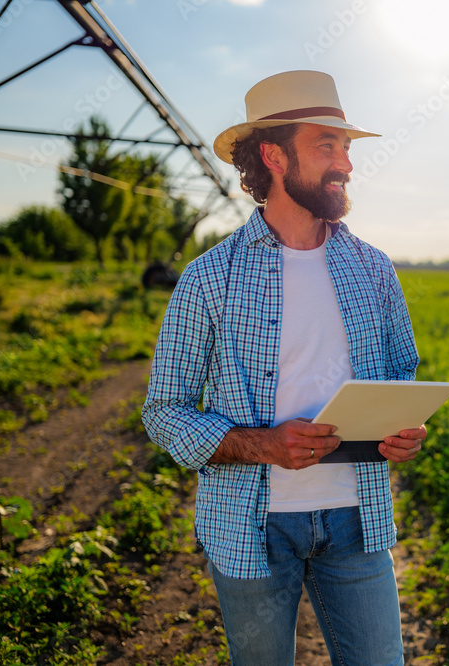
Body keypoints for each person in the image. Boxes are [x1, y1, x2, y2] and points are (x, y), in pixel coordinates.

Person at [141, 70, 426, 666]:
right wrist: (262, 445)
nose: (345, 162)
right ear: (273, 155)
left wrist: (402, 431)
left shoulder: (374, 270)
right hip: (250, 530)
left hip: (357, 522)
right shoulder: (208, 278)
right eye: (327, 144)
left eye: (346, 147)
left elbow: (402, 376)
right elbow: (165, 411)